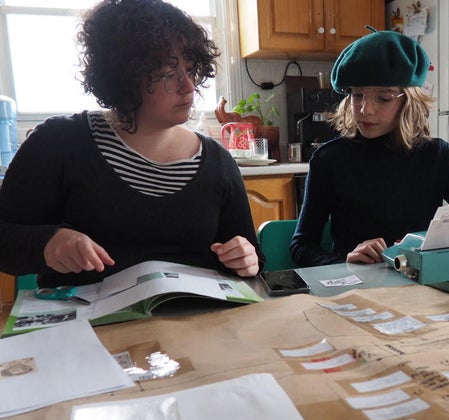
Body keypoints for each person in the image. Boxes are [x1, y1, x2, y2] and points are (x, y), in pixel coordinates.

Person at [0, 0, 263, 288]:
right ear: (125, 77)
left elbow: (253, 261)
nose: (188, 87)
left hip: (194, 324)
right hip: (89, 327)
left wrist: (246, 259)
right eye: (168, 74)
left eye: (190, 70)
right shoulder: (58, 144)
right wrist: (46, 243)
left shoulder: (218, 162)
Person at [290, 29, 449, 268]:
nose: (365, 109)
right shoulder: (329, 160)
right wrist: (343, 260)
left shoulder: (438, 156)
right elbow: (302, 247)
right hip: (356, 290)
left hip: (421, 289)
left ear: (409, 100)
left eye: (382, 97)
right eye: (357, 94)